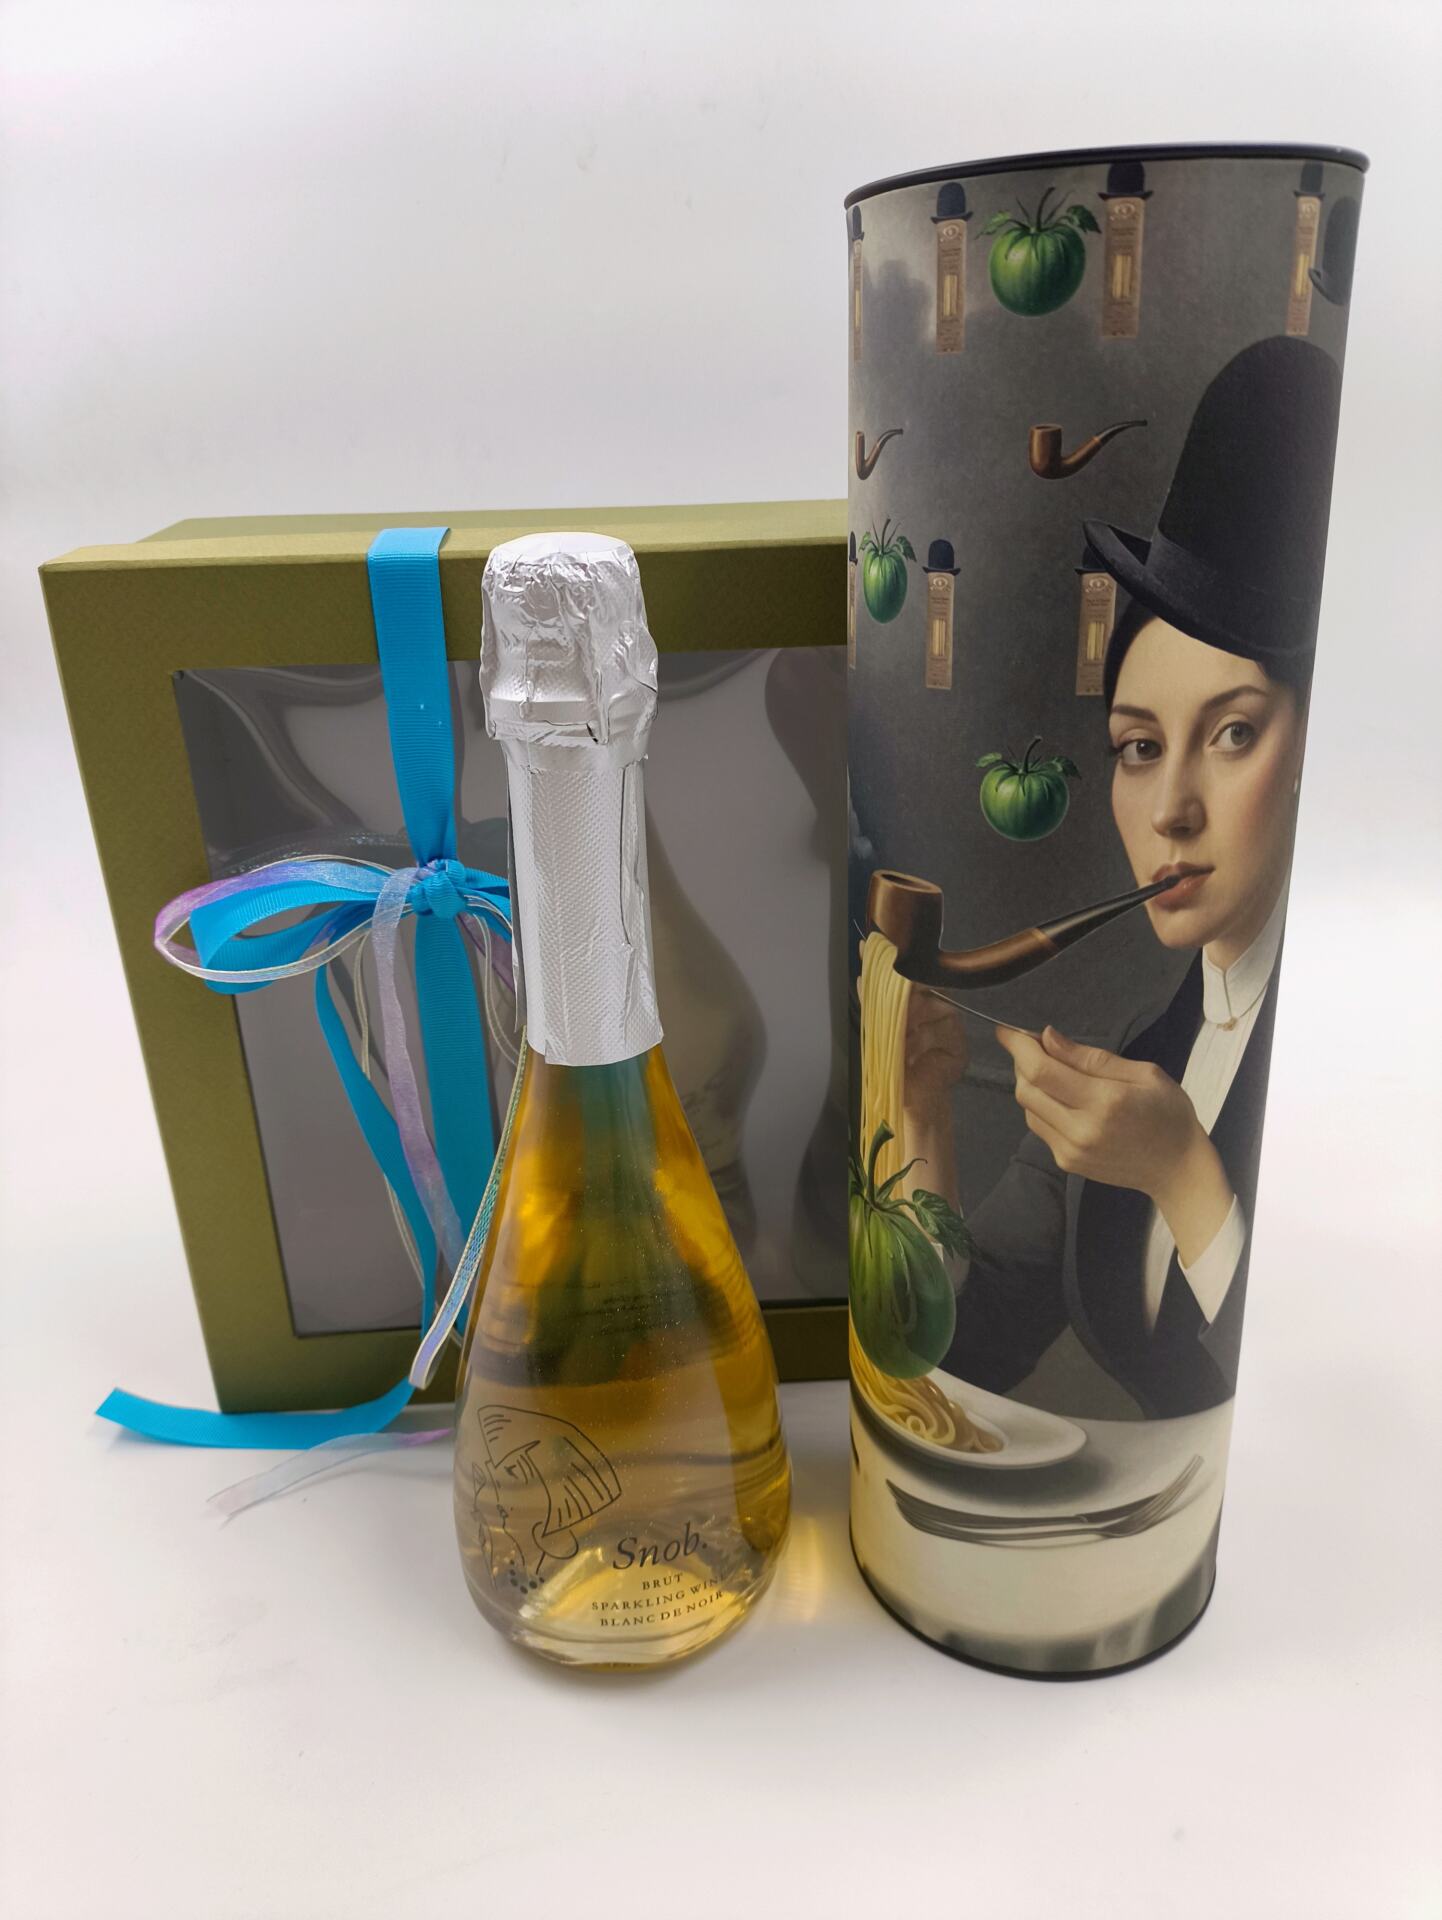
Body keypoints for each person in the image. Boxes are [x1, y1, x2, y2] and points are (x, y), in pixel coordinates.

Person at [898, 335, 1341, 1418]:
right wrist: (922, 1114)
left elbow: (1339, 1379)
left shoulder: (1354, 1056)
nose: (1170, 807)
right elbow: (960, 1349)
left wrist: (1184, 1176)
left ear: (1311, 742)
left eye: (1232, 733)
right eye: (1140, 746)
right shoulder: (1142, 1059)